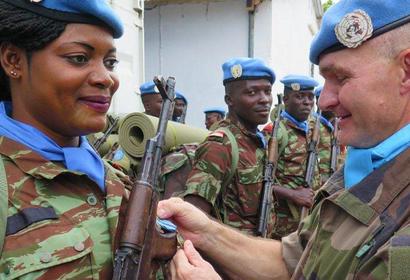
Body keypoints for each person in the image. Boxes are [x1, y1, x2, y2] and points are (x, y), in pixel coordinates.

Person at [158, 0, 410, 279]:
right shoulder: (364, 166)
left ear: (406, 71)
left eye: (341, 77)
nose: (323, 101)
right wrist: (207, 233)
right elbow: (297, 261)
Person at [0, 1, 129, 278]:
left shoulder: (114, 179)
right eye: (79, 58)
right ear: (14, 60)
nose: (106, 78)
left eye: (110, 62)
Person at [179, 57, 276, 237]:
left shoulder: (257, 140)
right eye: (252, 92)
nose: (264, 100)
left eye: (267, 91)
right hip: (231, 257)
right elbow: (194, 215)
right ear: (230, 100)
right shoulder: (220, 146)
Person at [263, 74, 318, 239]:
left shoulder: (312, 131)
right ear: (286, 100)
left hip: (307, 220)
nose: (307, 102)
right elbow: (260, 181)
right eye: (299, 96)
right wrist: (294, 194)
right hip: (282, 226)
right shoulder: (274, 132)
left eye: (310, 97)